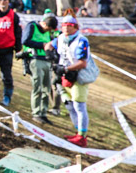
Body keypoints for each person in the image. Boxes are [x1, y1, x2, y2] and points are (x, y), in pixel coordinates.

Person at [44, 15, 93, 147]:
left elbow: (83, 63)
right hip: (65, 76)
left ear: (75, 27)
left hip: (79, 76)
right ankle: (77, 132)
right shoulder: (61, 38)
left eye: (69, 25)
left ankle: (82, 137)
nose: (66, 27)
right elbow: (48, 45)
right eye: (64, 24)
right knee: (69, 105)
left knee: (79, 106)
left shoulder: (81, 41)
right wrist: (49, 53)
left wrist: (65, 68)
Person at [20, 13, 58, 124]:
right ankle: (36, 112)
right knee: (38, 87)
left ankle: (43, 112)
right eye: (48, 28)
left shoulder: (48, 32)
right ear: (44, 23)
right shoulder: (32, 26)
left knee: (47, 88)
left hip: (47, 61)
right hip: (35, 59)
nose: (48, 31)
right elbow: (25, 41)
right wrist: (42, 45)